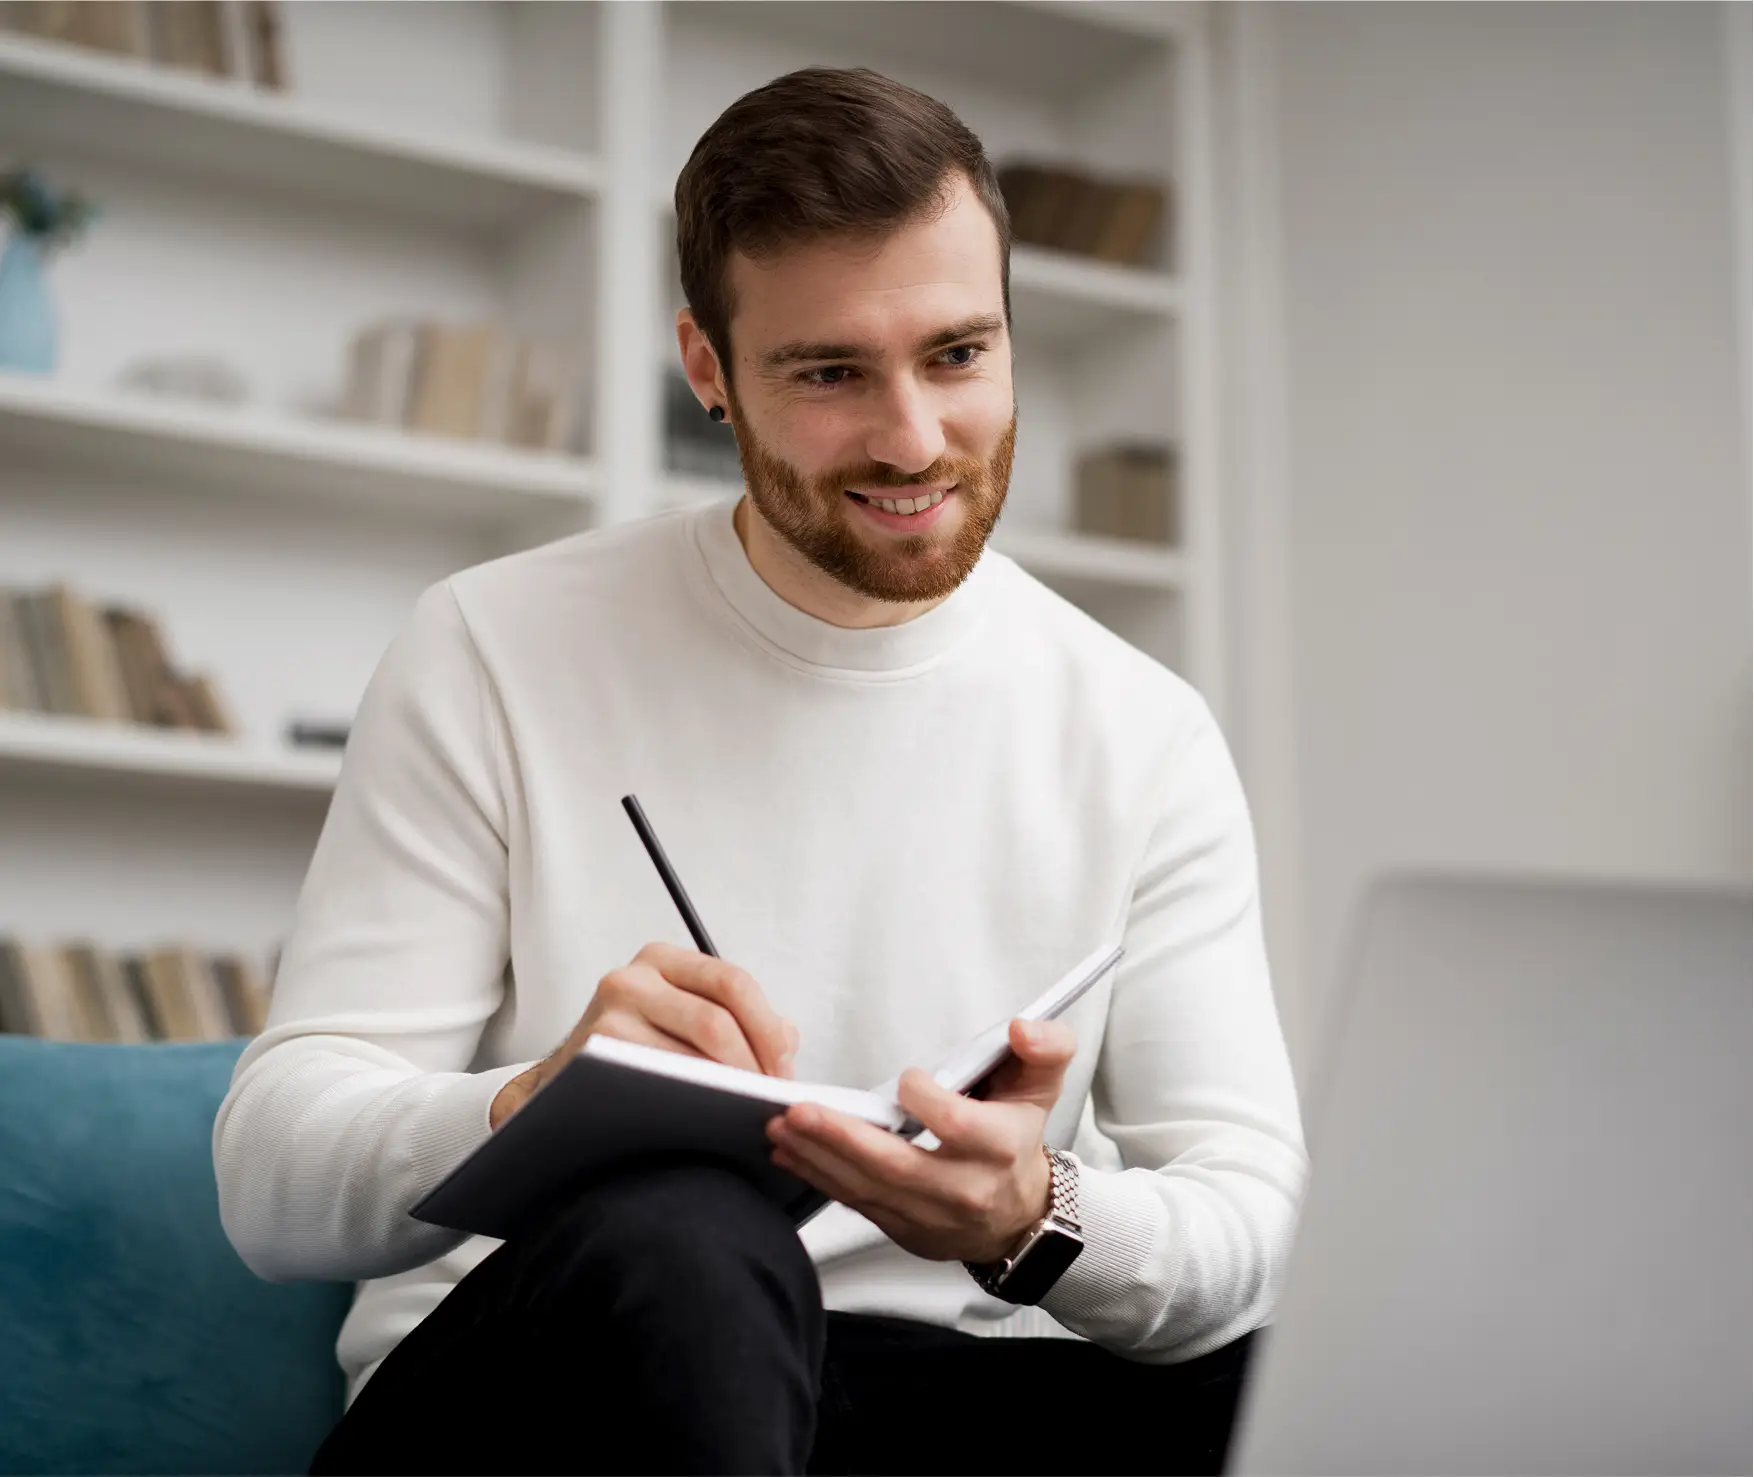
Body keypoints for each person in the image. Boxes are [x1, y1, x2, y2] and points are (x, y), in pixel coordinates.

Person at [213, 65, 1309, 1477]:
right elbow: (269, 1184)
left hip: (926, 1391)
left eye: (958, 355)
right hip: (554, 1389)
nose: (912, 439)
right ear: (707, 370)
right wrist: (529, 1105)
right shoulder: (490, 644)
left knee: (1300, 1380)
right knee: (686, 1226)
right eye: (830, 373)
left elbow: (1247, 1220)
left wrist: (1032, 1216)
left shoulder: (1142, 731)